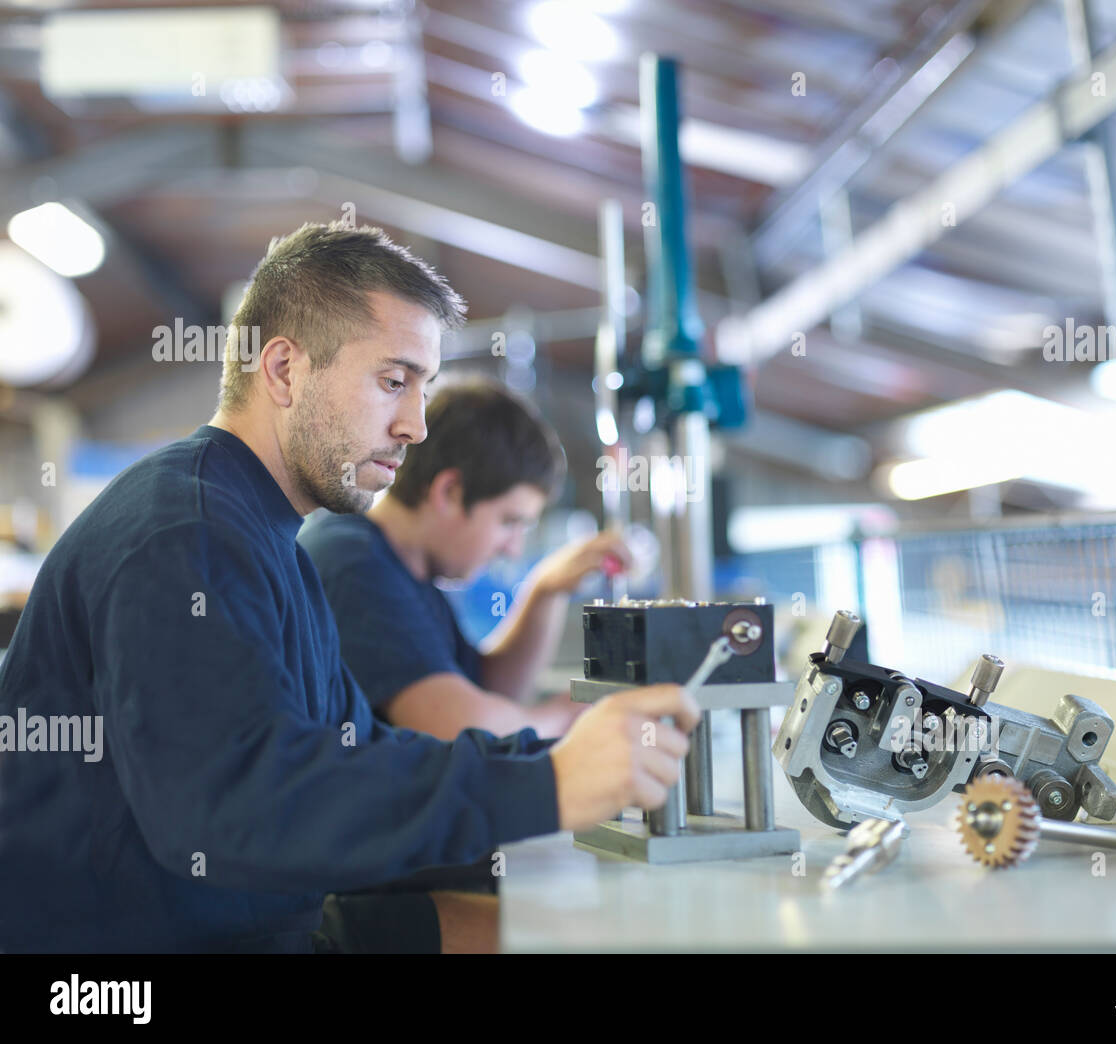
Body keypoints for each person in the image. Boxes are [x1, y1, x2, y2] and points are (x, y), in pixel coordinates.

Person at [0, 221, 698, 953]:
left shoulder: (273, 542)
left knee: (535, 932)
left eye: (423, 390)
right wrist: (545, 788)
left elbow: (357, 750)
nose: (417, 427)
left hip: (248, 916)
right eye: (393, 382)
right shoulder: (186, 535)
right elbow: (237, 808)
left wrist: (551, 761)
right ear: (284, 371)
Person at [299, 377, 628, 741]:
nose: (513, 548)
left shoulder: (407, 569)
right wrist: (582, 709)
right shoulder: (352, 564)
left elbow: (486, 692)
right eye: (509, 522)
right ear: (450, 492)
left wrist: (545, 591)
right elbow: (464, 726)